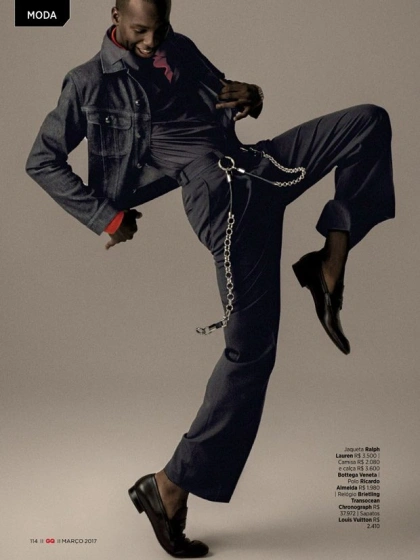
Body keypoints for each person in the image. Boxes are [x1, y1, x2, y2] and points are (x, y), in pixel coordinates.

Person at [25, 0, 395, 556]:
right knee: (251, 352)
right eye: (141, 30)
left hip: (258, 166)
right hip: (224, 202)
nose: (152, 41)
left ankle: (329, 265)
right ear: (115, 15)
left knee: (367, 121)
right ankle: (169, 485)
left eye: (160, 28)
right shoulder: (88, 83)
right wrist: (107, 216)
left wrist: (253, 96)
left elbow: (225, 99)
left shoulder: (180, 48)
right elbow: (42, 159)